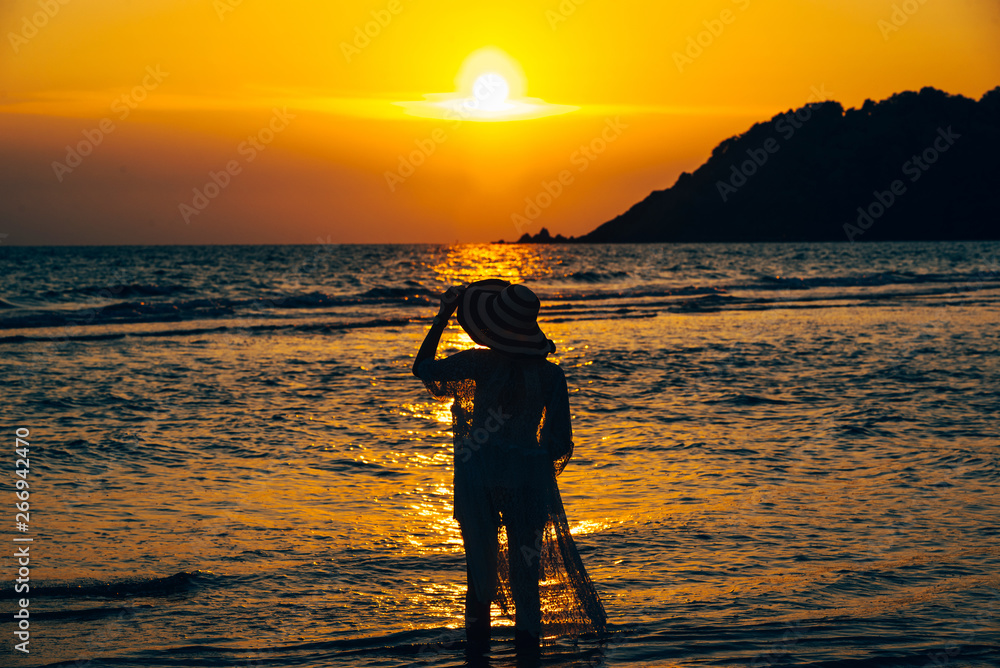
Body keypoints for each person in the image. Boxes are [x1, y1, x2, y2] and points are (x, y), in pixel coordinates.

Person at [412, 279, 607, 657]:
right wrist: (527, 454)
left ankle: (478, 657)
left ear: (495, 326)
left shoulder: (480, 364)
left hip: (479, 478)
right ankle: (527, 656)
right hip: (528, 482)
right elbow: (559, 444)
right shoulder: (551, 375)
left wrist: (442, 317)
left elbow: (423, 369)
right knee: (526, 581)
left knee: (479, 581)